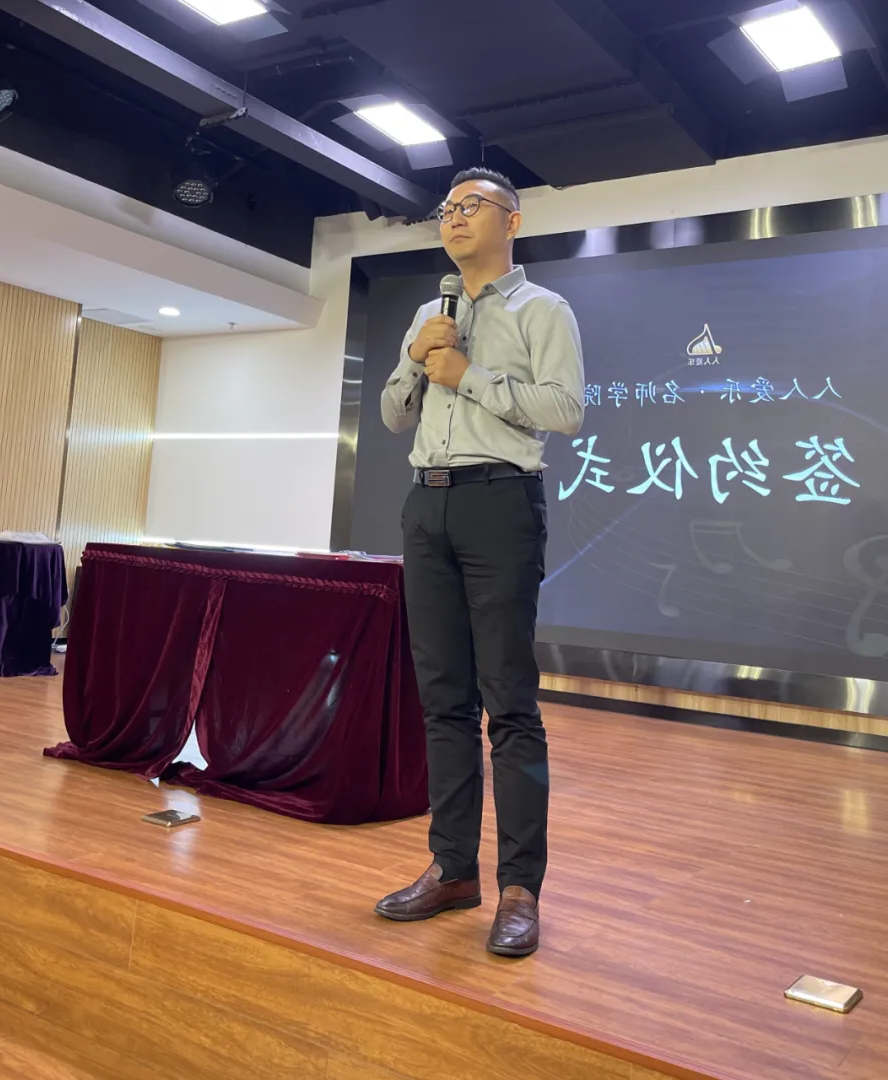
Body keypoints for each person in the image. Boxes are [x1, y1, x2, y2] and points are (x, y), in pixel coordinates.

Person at [376, 167, 585, 957]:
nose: (454, 217)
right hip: (425, 504)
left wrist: (471, 377)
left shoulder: (543, 309)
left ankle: (520, 888)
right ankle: (452, 869)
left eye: (472, 206)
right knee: (443, 701)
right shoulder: (429, 312)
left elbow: (565, 409)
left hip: (500, 502)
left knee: (510, 703)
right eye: (447, 208)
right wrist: (417, 358)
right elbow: (394, 416)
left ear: (512, 221)